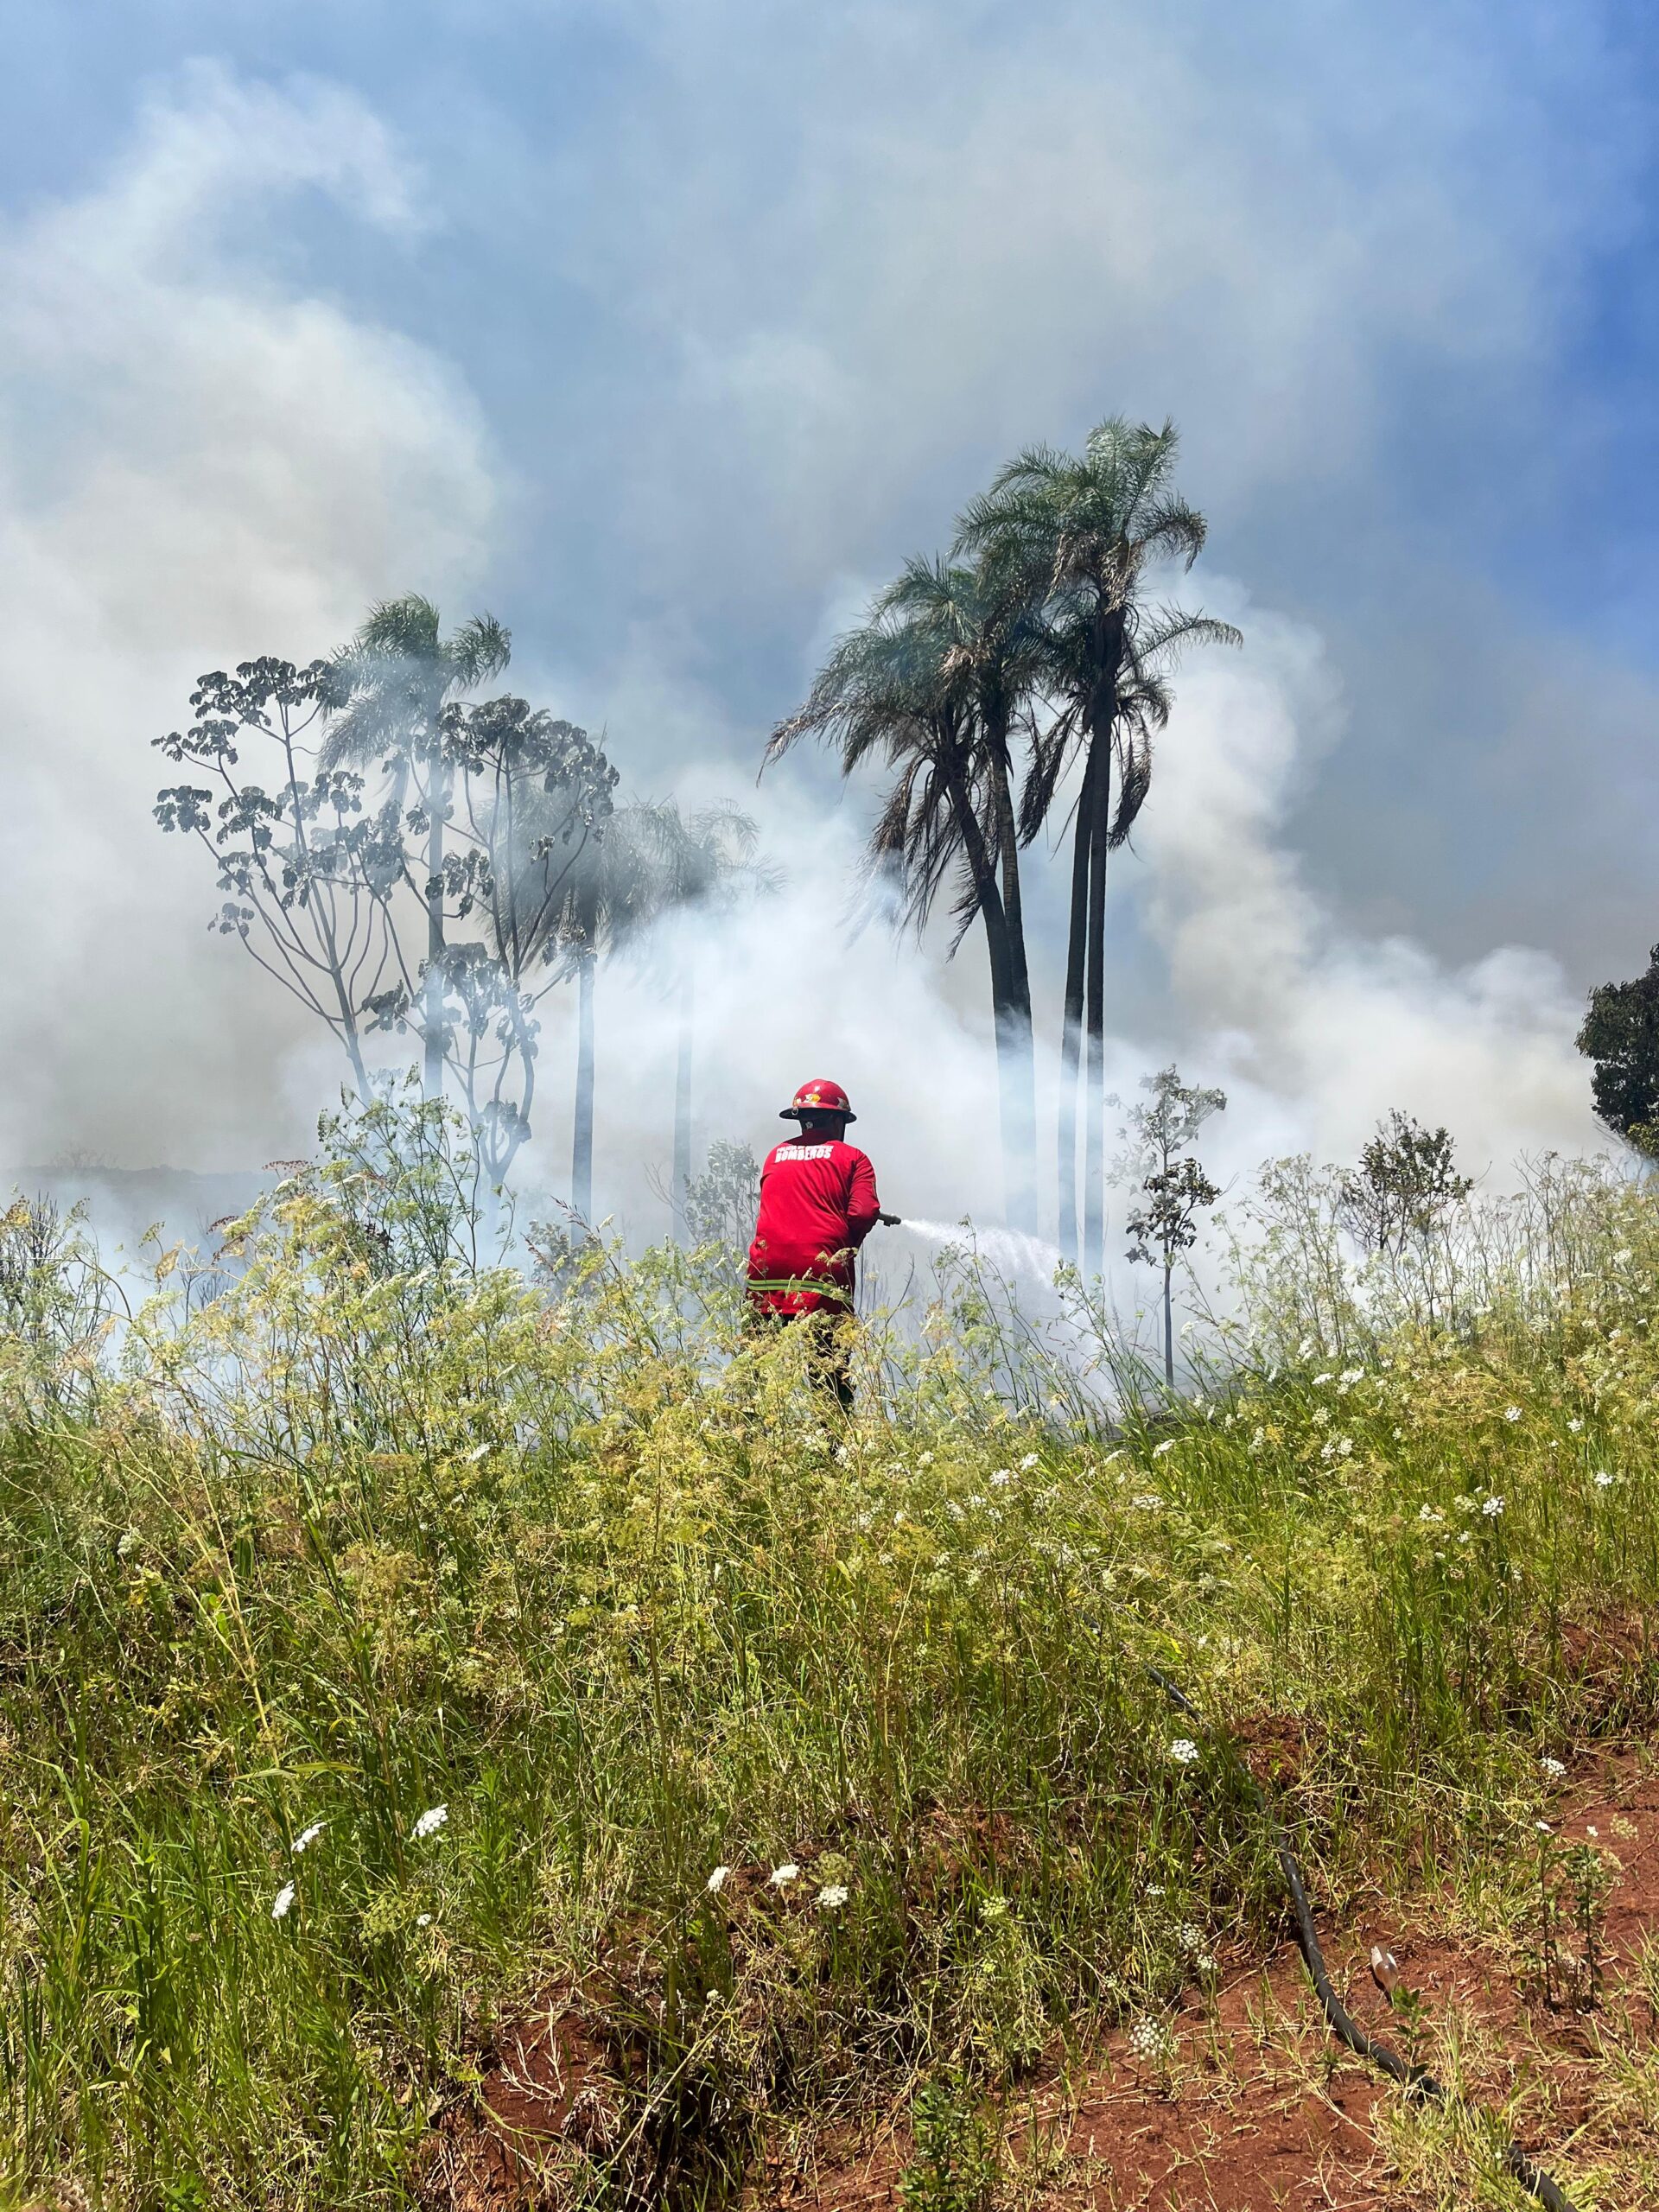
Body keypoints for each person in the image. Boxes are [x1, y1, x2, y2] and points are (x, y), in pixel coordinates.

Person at [746, 1077, 896, 1405]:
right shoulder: (853, 1158)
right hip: (821, 1277)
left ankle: (749, 1440)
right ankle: (833, 1446)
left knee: (756, 1370)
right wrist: (843, 1250)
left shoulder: (775, 1155)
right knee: (829, 1371)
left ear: (801, 1119)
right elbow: (863, 1212)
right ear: (839, 1120)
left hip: (766, 1275)